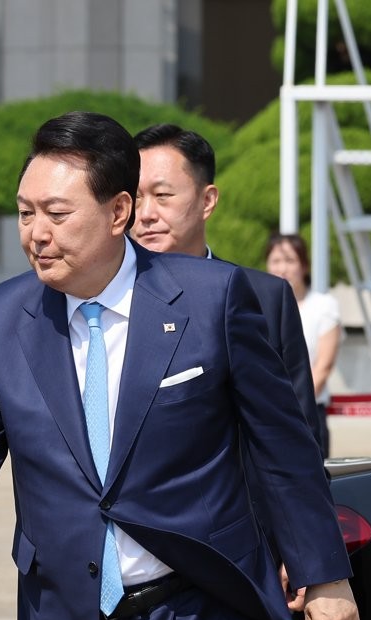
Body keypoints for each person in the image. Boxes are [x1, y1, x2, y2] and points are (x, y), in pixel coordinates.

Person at [0, 112, 359, 620]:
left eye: (56, 212)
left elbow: (283, 447)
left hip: (200, 614)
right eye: (26, 213)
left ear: (119, 211)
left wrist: (324, 572)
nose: (37, 233)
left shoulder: (212, 299)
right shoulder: (4, 317)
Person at [133, 123, 322, 446]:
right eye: (135, 198)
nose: (146, 213)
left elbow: (296, 432)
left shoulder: (265, 298)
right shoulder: (103, 297)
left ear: (207, 201)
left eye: (162, 196)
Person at [266, 232, 342, 458]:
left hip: (308, 412)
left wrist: (292, 409)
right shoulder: (256, 304)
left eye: (290, 261)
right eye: (276, 261)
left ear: (305, 265)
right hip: (266, 414)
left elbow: (323, 367)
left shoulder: (323, 305)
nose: (283, 268)